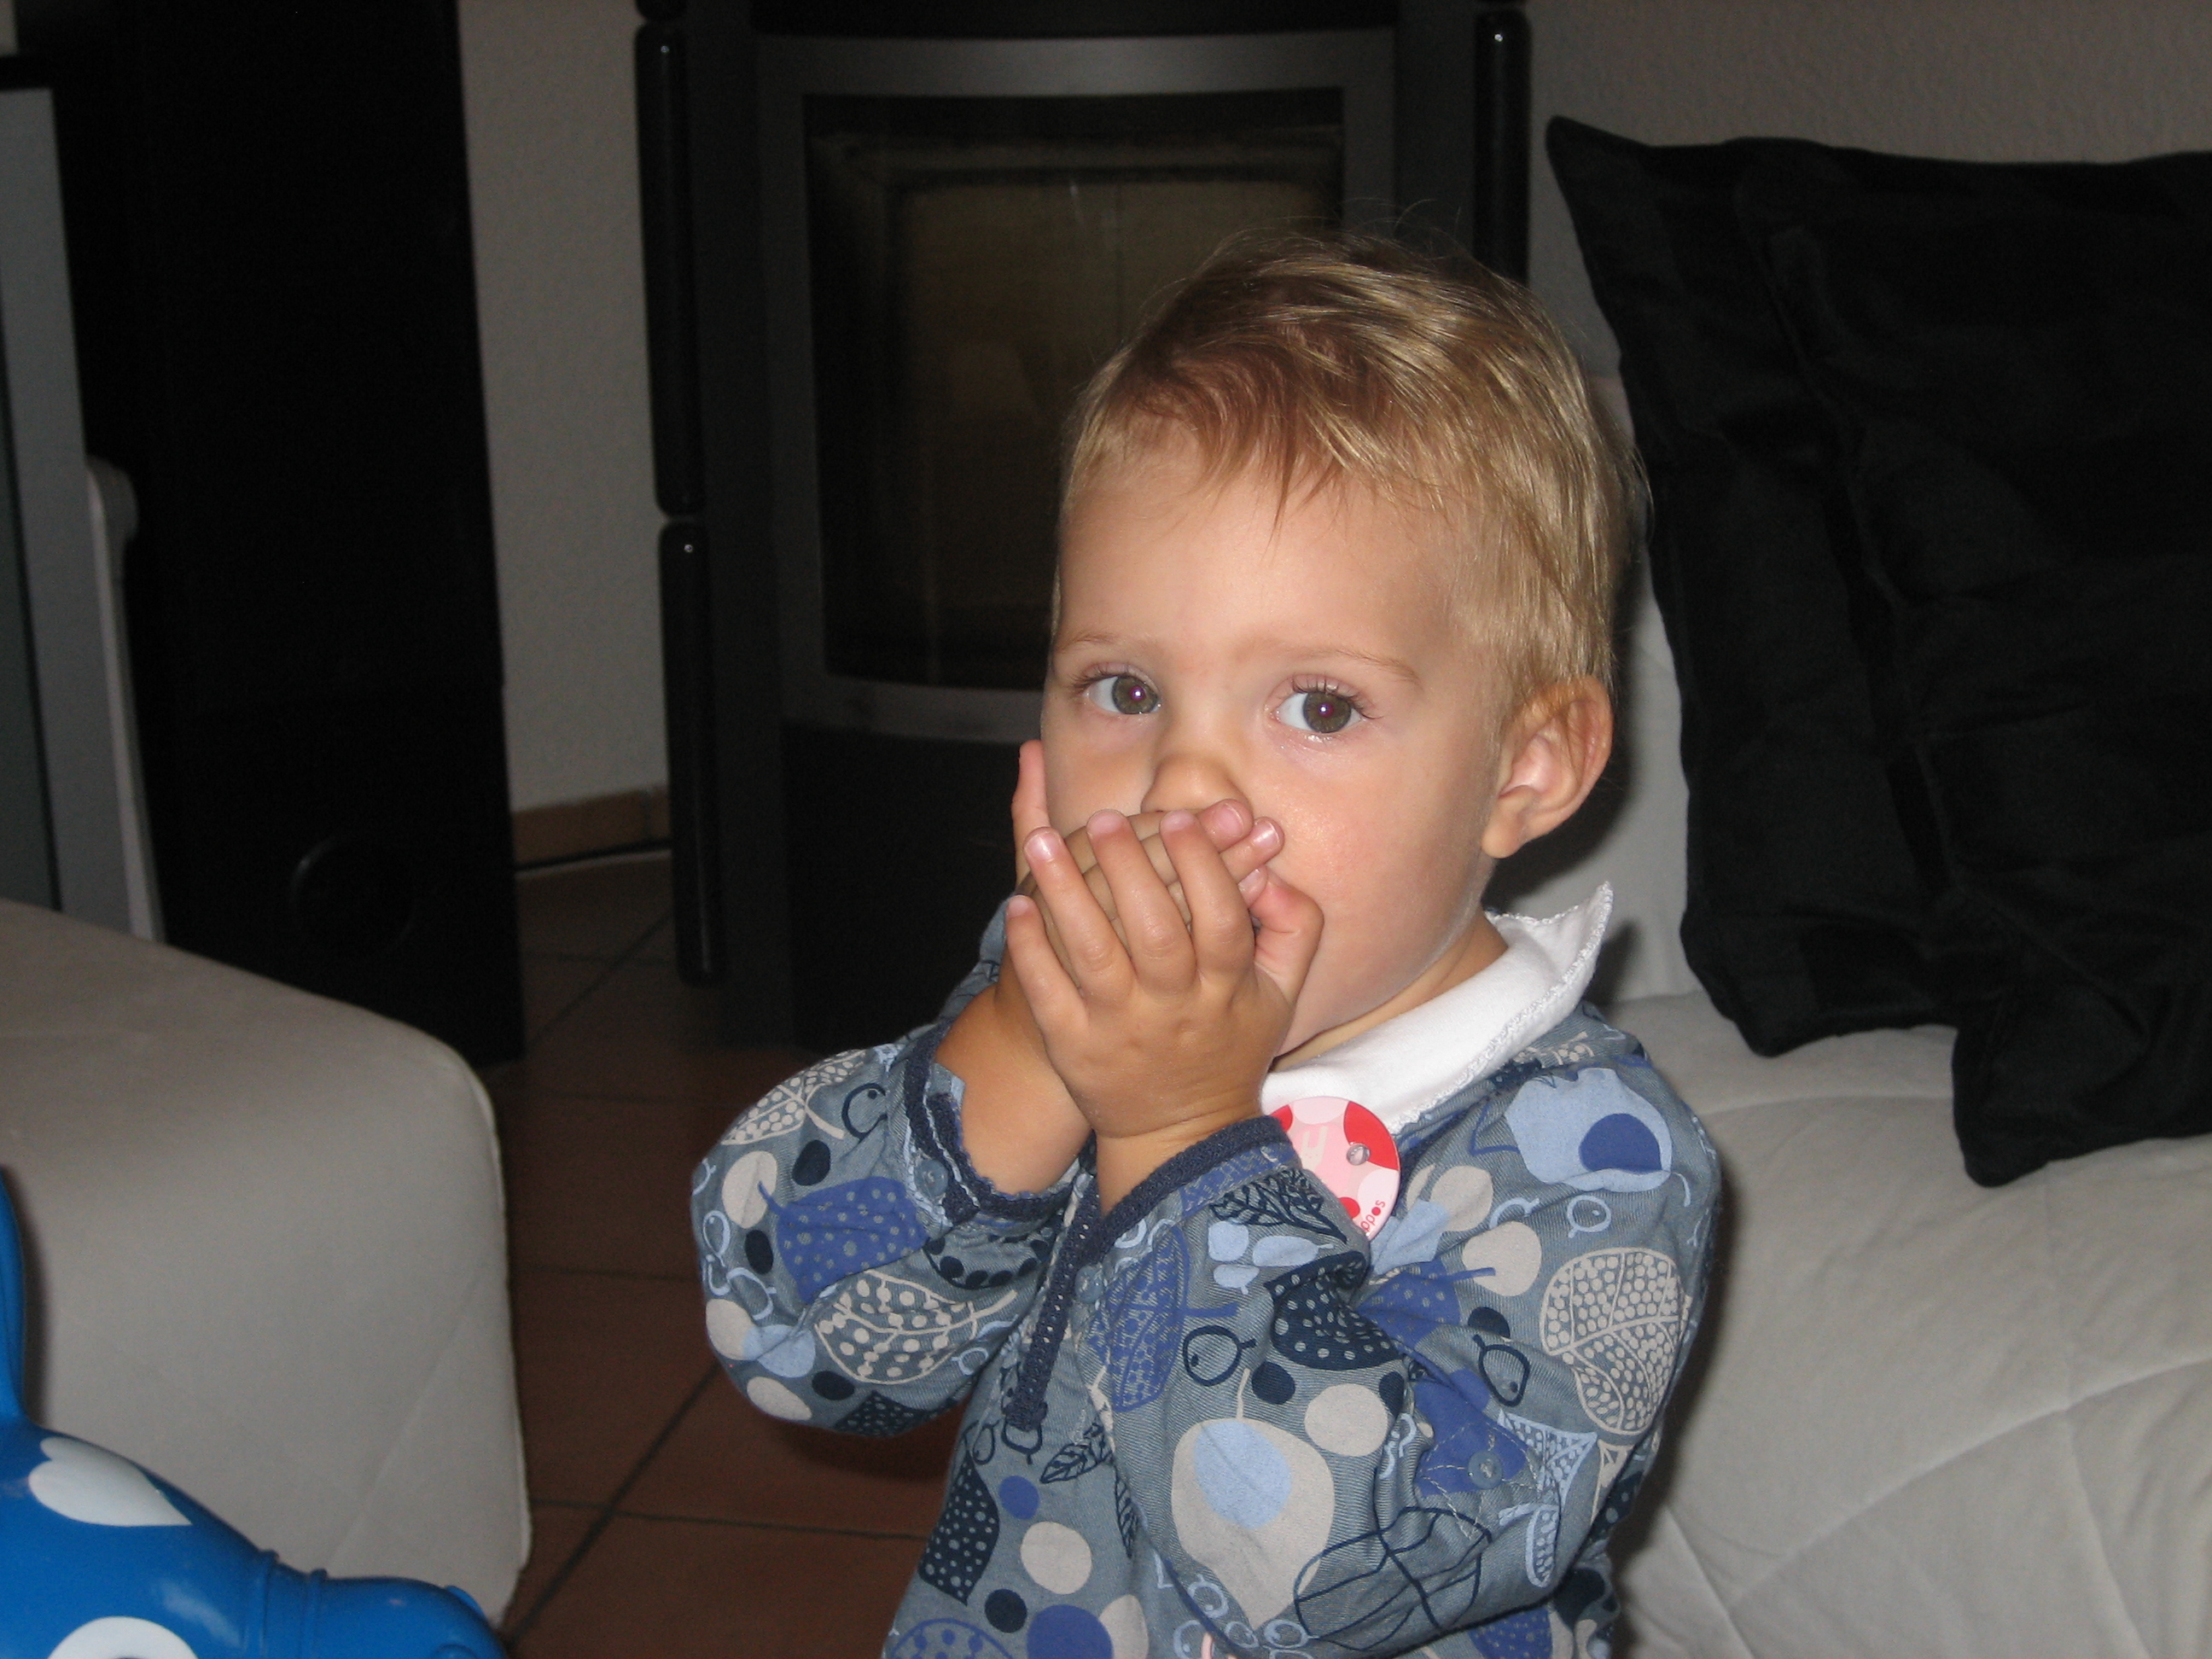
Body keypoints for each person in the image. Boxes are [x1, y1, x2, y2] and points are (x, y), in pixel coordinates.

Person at [693, 233, 1719, 1659]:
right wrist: (1027, 1053)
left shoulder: (1595, 1159)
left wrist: (1180, 1133)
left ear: (1524, 767)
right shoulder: (1068, 1003)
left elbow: (1341, 1580)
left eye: (1317, 707)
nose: (1178, 788)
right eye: (1124, 689)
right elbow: (790, 1338)